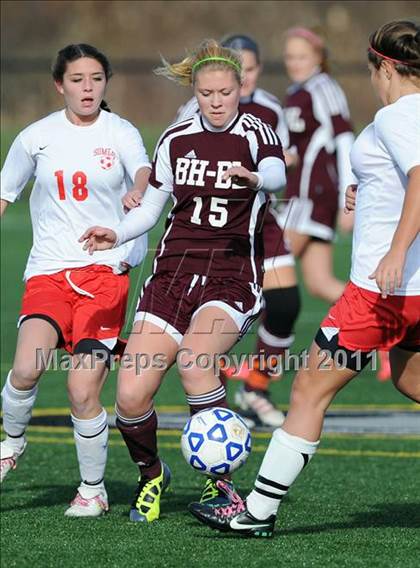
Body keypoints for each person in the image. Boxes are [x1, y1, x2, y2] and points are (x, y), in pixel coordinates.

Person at [189, 19, 420, 537]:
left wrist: (397, 250)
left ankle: (257, 513)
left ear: (383, 66)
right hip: (411, 291)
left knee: (308, 392)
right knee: (409, 378)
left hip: (381, 292)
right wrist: (373, 194)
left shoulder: (399, 116)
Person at [80, 38, 287, 523]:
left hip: (232, 272)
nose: (216, 102)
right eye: (207, 93)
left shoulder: (258, 132)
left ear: (241, 88)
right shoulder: (175, 138)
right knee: (130, 396)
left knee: (196, 363)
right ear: (194, 91)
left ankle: (223, 488)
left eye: (225, 92)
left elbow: (277, 173)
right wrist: (116, 231)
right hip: (173, 273)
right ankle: (151, 474)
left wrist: (255, 180)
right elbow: (152, 208)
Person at [0, 44, 151, 517]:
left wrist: (140, 185)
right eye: (78, 79)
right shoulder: (36, 137)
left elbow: (143, 168)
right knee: (26, 366)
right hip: (48, 270)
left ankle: (93, 490)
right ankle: (11, 442)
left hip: (105, 274)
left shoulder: (120, 132)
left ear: (106, 83)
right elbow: (5, 192)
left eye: (96, 79)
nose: (88, 88)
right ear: (59, 84)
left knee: (82, 390)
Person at [175, 34, 300, 428]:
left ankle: (256, 386)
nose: (242, 78)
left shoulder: (267, 109)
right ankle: (213, 381)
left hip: (261, 218)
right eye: (236, 69)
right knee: (209, 314)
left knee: (285, 304)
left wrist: (270, 168)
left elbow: (283, 156)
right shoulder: (190, 111)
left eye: (249, 69)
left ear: (258, 71)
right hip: (210, 228)